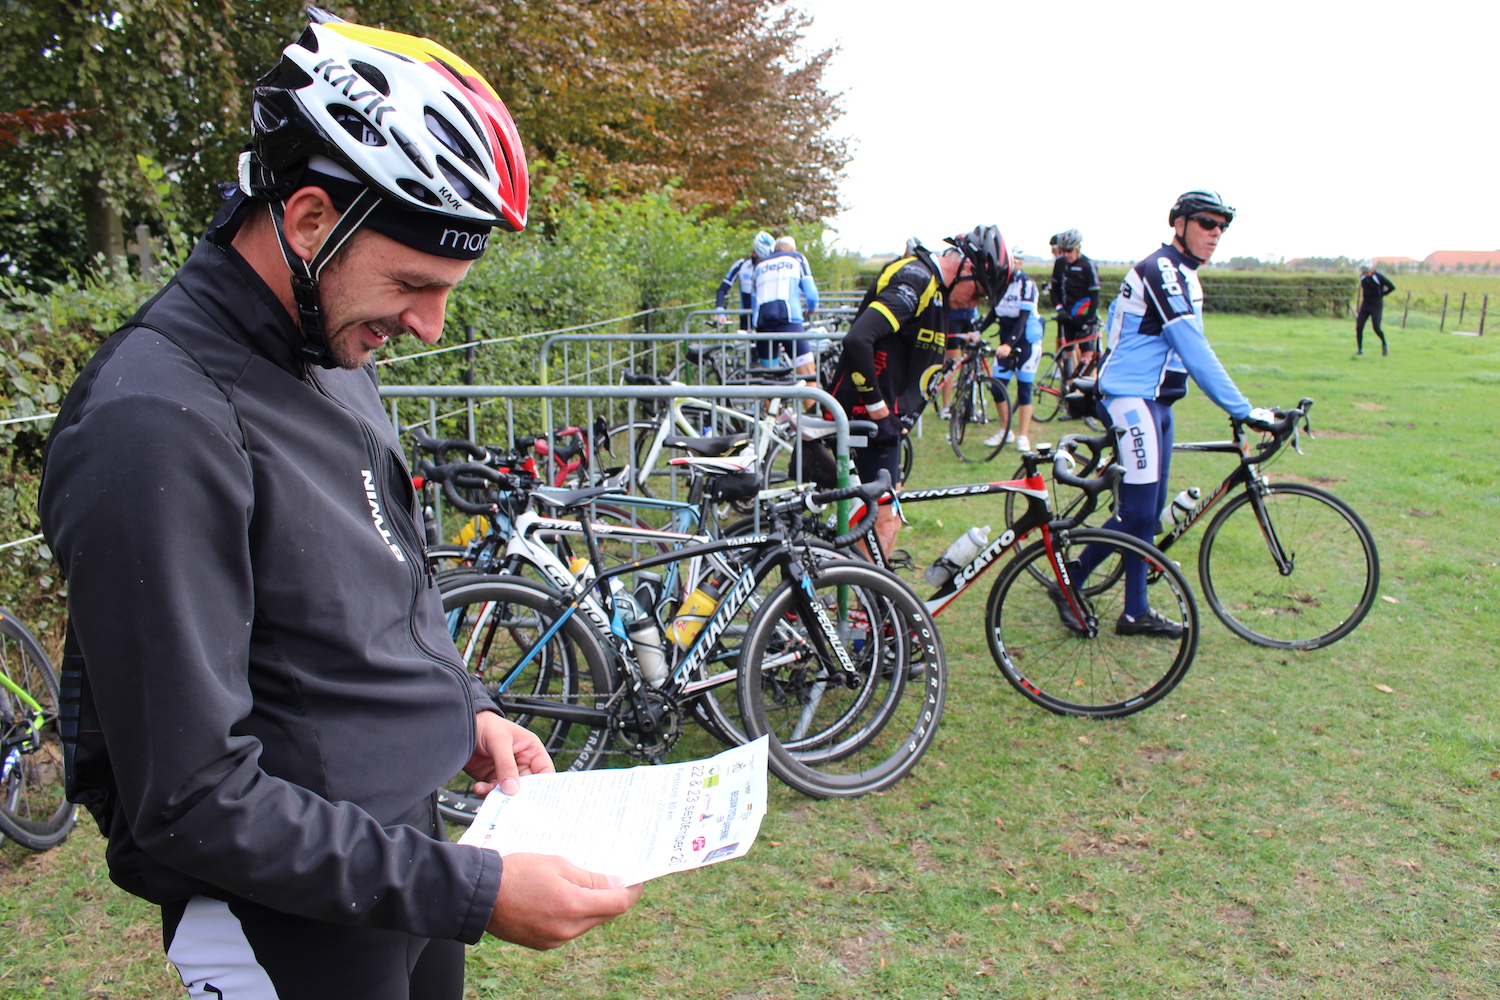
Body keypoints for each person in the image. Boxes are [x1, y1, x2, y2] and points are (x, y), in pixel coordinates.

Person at [39, 12, 641, 998]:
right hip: (284, 917)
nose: (429, 323)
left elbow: (378, 585)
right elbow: (191, 799)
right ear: (311, 218)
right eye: (412, 282)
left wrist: (467, 710)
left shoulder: (326, 346)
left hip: (400, 863)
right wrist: (471, 891)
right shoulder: (155, 420)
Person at [1073, 190, 1274, 636]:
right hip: (1131, 399)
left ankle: (1135, 612)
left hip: (1158, 402)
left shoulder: (1186, 275)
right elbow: (1192, 347)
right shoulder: (1162, 268)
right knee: (1137, 513)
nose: (1216, 233)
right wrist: (1244, 409)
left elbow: (1187, 350)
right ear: (1179, 224)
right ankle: (1071, 580)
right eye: (1207, 223)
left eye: (1222, 226)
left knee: (1148, 512)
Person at [828, 226, 1012, 553]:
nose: (973, 303)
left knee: (883, 519)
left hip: (886, 422)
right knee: (883, 522)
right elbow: (858, 340)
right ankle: (853, 587)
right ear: (966, 267)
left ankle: (855, 582)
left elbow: (911, 343)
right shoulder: (917, 279)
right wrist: (879, 411)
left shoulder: (936, 288)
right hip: (865, 418)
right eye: (978, 293)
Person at [983, 252, 1044, 452]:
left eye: (1016, 261)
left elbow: (1023, 319)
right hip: (1006, 343)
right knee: (997, 388)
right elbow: (994, 313)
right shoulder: (1000, 284)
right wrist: (976, 331)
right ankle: (1005, 430)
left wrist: (1009, 344)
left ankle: (1023, 436)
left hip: (1026, 341)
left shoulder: (1027, 285)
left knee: (1024, 390)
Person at [749, 233, 819, 376]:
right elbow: (811, 294)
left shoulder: (759, 265)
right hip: (789, 322)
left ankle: (772, 389)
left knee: (769, 379)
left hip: (763, 325)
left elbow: (753, 300)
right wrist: (811, 308)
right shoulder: (797, 258)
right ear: (792, 249)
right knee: (809, 376)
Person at [1050, 228, 1100, 371]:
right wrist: (1060, 309)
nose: (1066, 254)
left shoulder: (1088, 265)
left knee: (1087, 363)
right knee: (1068, 360)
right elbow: (1054, 290)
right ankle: (1069, 382)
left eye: (1069, 251)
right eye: (1063, 251)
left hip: (1084, 316)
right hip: (1067, 316)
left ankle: (1086, 382)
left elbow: (1095, 295)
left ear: (1078, 248)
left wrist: (1089, 319)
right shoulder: (1060, 263)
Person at [715, 231, 772, 330]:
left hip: (765, 317)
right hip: (746, 318)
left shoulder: (770, 267)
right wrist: (720, 309)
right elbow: (722, 289)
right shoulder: (742, 265)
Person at [1356, 259, 1395, 356]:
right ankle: (1360, 350)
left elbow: (1391, 287)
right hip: (1365, 305)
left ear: (1372, 269)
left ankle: (1384, 343)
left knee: (1376, 327)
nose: (1366, 274)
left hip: (1376, 306)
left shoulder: (1378, 277)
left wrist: (1382, 294)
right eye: (1364, 272)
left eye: (1367, 272)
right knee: (1359, 327)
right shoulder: (1362, 277)